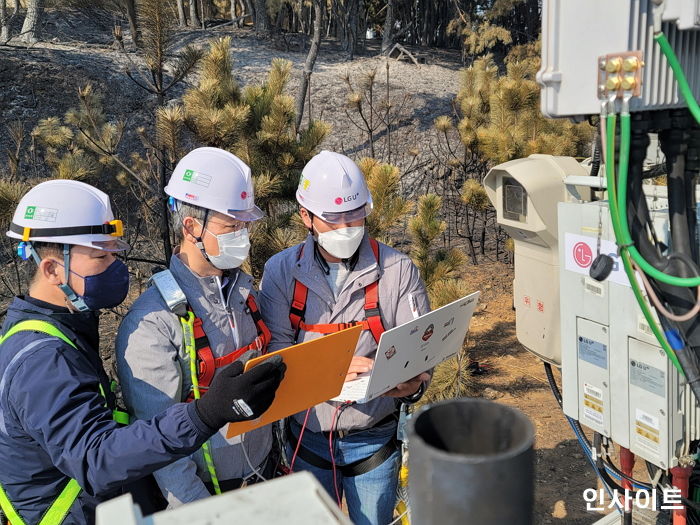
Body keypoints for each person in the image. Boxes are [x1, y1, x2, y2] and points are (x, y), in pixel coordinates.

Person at [0, 179, 285, 525]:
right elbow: (96, 461)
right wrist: (203, 414)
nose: (114, 265)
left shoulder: (62, 332)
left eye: (113, 252)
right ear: (52, 269)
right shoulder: (44, 360)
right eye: (100, 255)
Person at [259, 150, 431, 525]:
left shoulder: (397, 271)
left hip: (372, 438)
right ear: (305, 216)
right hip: (307, 439)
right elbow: (274, 351)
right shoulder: (282, 272)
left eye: (355, 214)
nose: (346, 227)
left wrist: (412, 383)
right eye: (333, 218)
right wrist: (328, 369)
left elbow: (421, 351)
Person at [116, 147, 278, 506]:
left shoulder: (244, 293)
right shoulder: (154, 323)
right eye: (231, 226)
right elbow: (161, 449)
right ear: (191, 227)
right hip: (210, 495)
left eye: (245, 224)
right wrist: (202, 514)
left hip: (265, 476)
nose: (244, 235)